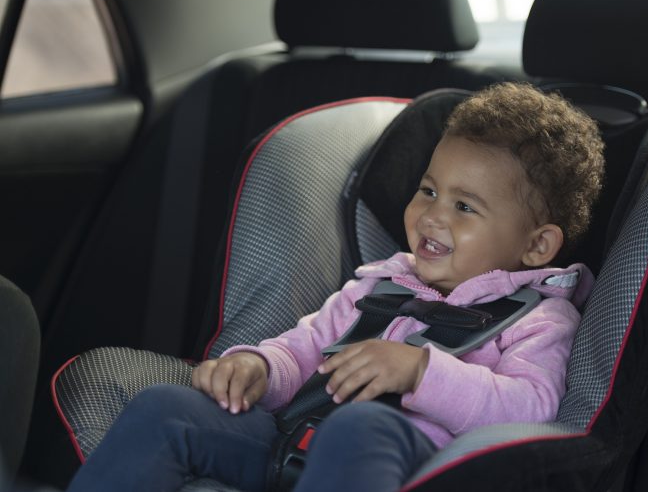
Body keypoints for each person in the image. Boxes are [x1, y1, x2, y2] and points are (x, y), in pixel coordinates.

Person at [67, 82, 605, 492]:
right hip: (294, 441)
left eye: (464, 207)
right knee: (166, 408)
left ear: (537, 246)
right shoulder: (382, 286)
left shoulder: (539, 318)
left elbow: (532, 409)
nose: (430, 215)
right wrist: (257, 367)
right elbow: (302, 348)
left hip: (413, 465)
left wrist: (421, 371)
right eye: (428, 189)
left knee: (360, 427)